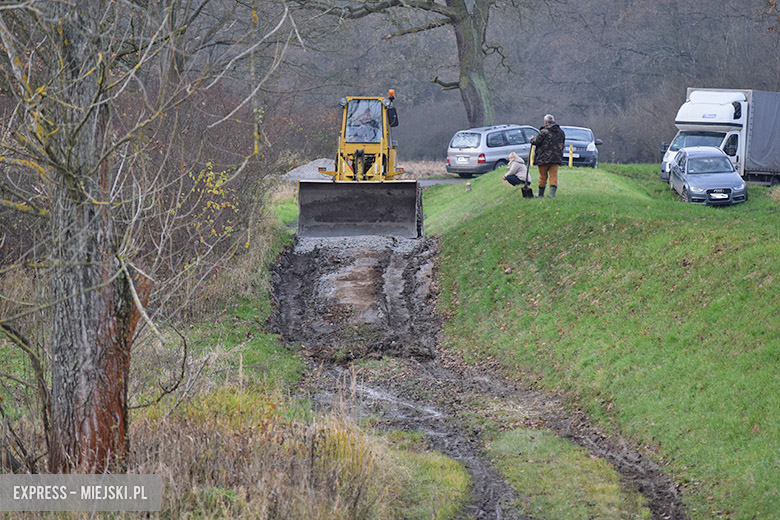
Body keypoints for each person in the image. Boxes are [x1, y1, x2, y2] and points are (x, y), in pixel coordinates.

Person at [529, 114, 565, 198]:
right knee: (553, 176)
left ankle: (541, 194)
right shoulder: (561, 132)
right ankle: (552, 195)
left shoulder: (544, 132)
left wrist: (531, 140)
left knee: (543, 176)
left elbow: (537, 141)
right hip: (556, 158)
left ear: (546, 122)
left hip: (543, 158)